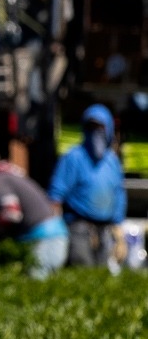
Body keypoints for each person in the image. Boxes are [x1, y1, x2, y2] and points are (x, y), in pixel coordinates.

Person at [0, 142, 68, 279]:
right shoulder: (9, 174)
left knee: (34, 287)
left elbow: (12, 214)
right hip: (51, 237)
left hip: (46, 241)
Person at [49, 104, 126, 269]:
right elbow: (56, 193)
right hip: (78, 225)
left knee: (103, 270)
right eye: (91, 127)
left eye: (100, 128)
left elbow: (118, 191)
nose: (96, 133)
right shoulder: (74, 157)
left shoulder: (112, 160)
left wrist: (118, 225)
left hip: (106, 227)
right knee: (82, 268)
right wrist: (54, 228)